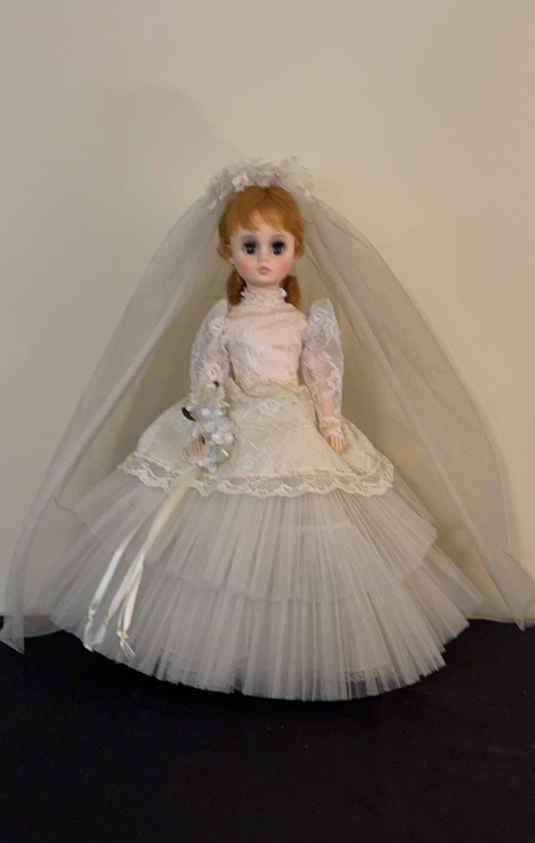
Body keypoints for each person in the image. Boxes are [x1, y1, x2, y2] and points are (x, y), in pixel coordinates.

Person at [2, 158, 534, 700]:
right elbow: (207, 374)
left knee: (306, 531)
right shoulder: (225, 319)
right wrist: (206, 417)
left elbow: (320, 375)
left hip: (291, 423)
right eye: (249, 245)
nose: (262, 257)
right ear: (227, 250)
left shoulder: (302, 322)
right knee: (222, 544)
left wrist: (329, 423)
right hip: (233, 423)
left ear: (295, 250)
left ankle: (293, 649)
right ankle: (225, 646)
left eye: (276, 245)